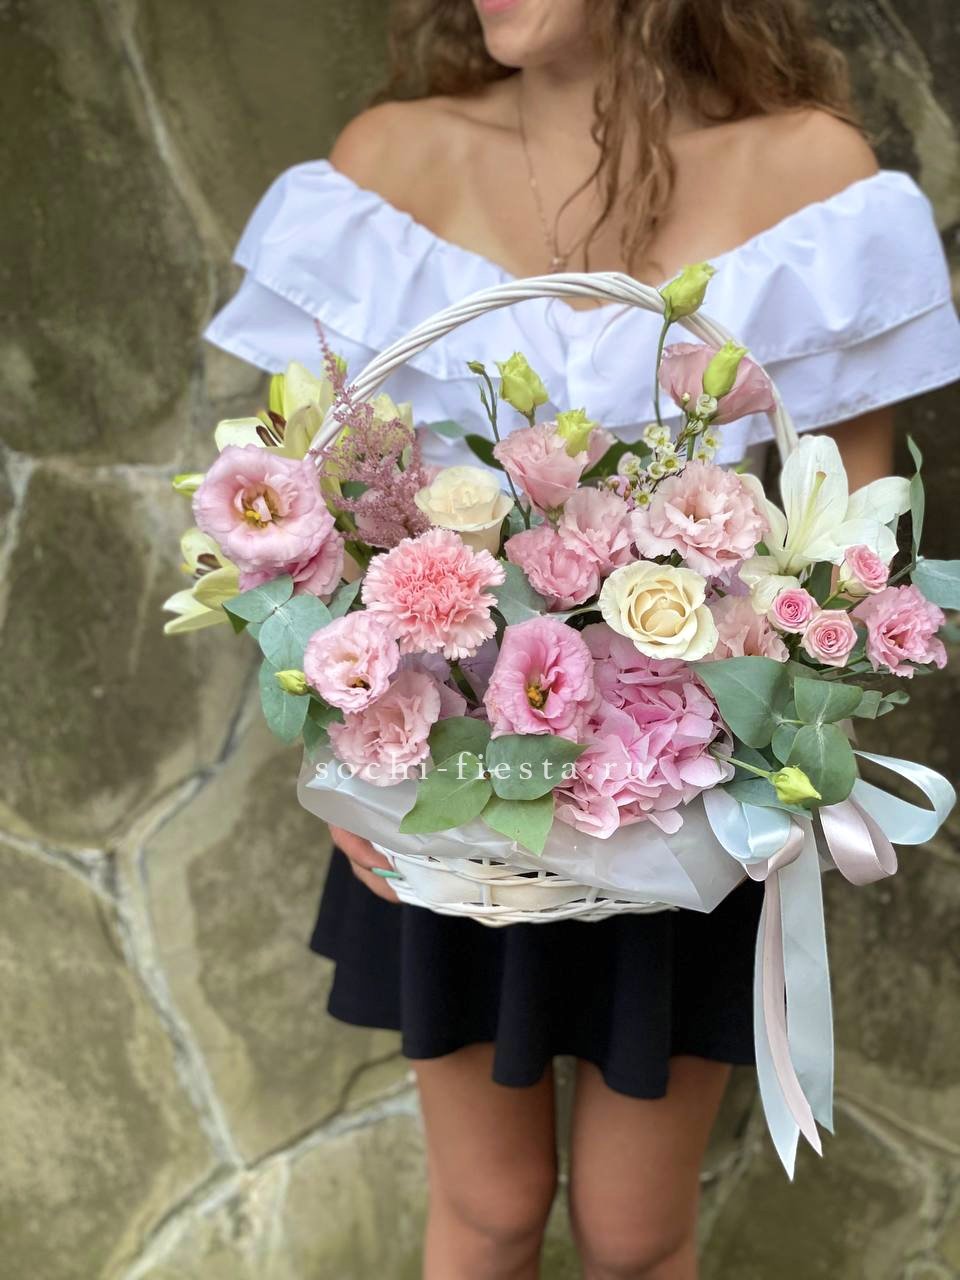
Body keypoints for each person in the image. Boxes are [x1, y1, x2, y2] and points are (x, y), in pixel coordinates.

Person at [205, 2, 960, 1275]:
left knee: (634, 1226)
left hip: (692, 804)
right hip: (444, 799)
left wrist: (775, 758)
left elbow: (847, 557)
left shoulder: (814, 180)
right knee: (491, 1206)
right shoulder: (388, 165)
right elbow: (311, 523)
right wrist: (344, 744)